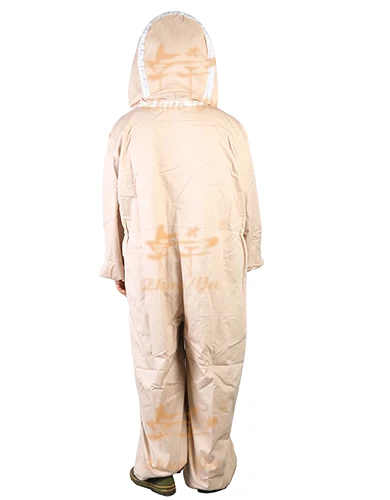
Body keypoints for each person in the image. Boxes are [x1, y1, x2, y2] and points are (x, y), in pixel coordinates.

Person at [99, 11, 263, 496]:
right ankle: (209, 470)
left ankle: (158, 465)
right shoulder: (228, 128)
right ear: (203, 62)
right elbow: (248, 197)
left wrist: (116, 262)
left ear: (145, 62)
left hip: (150, 259)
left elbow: (111, 204)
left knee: (156, 356)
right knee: (217, 357)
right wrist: (251, 252)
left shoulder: (127, 128)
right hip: (217, 260)